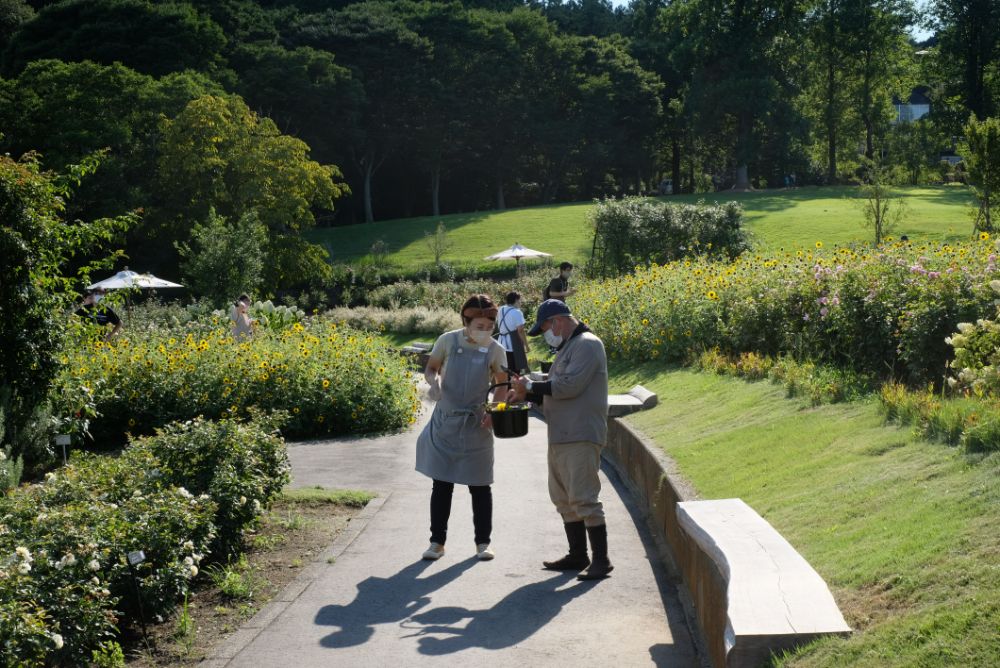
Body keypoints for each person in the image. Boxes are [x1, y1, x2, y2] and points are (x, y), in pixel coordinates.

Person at [512, 299, 612, 580]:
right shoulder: (569, 346)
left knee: (583, 497)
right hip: (562, 433)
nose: (546, 335)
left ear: (557, 320)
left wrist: (529, 386)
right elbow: (555, 388)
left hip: (580, 433)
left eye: (545, 327)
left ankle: (601, 560)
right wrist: (526, 393)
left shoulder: (587, 344)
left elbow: (569, 386)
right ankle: (578, 555)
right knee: (563, 498)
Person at [416, 294, 510, 562]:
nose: (484, 331)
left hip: (477, 422)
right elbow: (431, 368)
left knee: (480, 485)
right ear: (466, 322)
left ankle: (483, 543)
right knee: (441, 483)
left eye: (489, 326)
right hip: (446, 421)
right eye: (479, 326)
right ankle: (437, 542)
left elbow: (502, 385)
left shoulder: (495, 349)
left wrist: (495, 411)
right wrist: (433, 384)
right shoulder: (447, 340)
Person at [497, 291, 529, 374]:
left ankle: (507, 386)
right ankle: (513, 386)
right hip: (513, 343)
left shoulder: (501, 309)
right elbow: (520, 331)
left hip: (501, 342)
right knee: (514, 370)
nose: (521, 302)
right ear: (516, 300)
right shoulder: (517, 312)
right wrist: (526, 345)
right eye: (520, 300)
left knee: (505, 369)